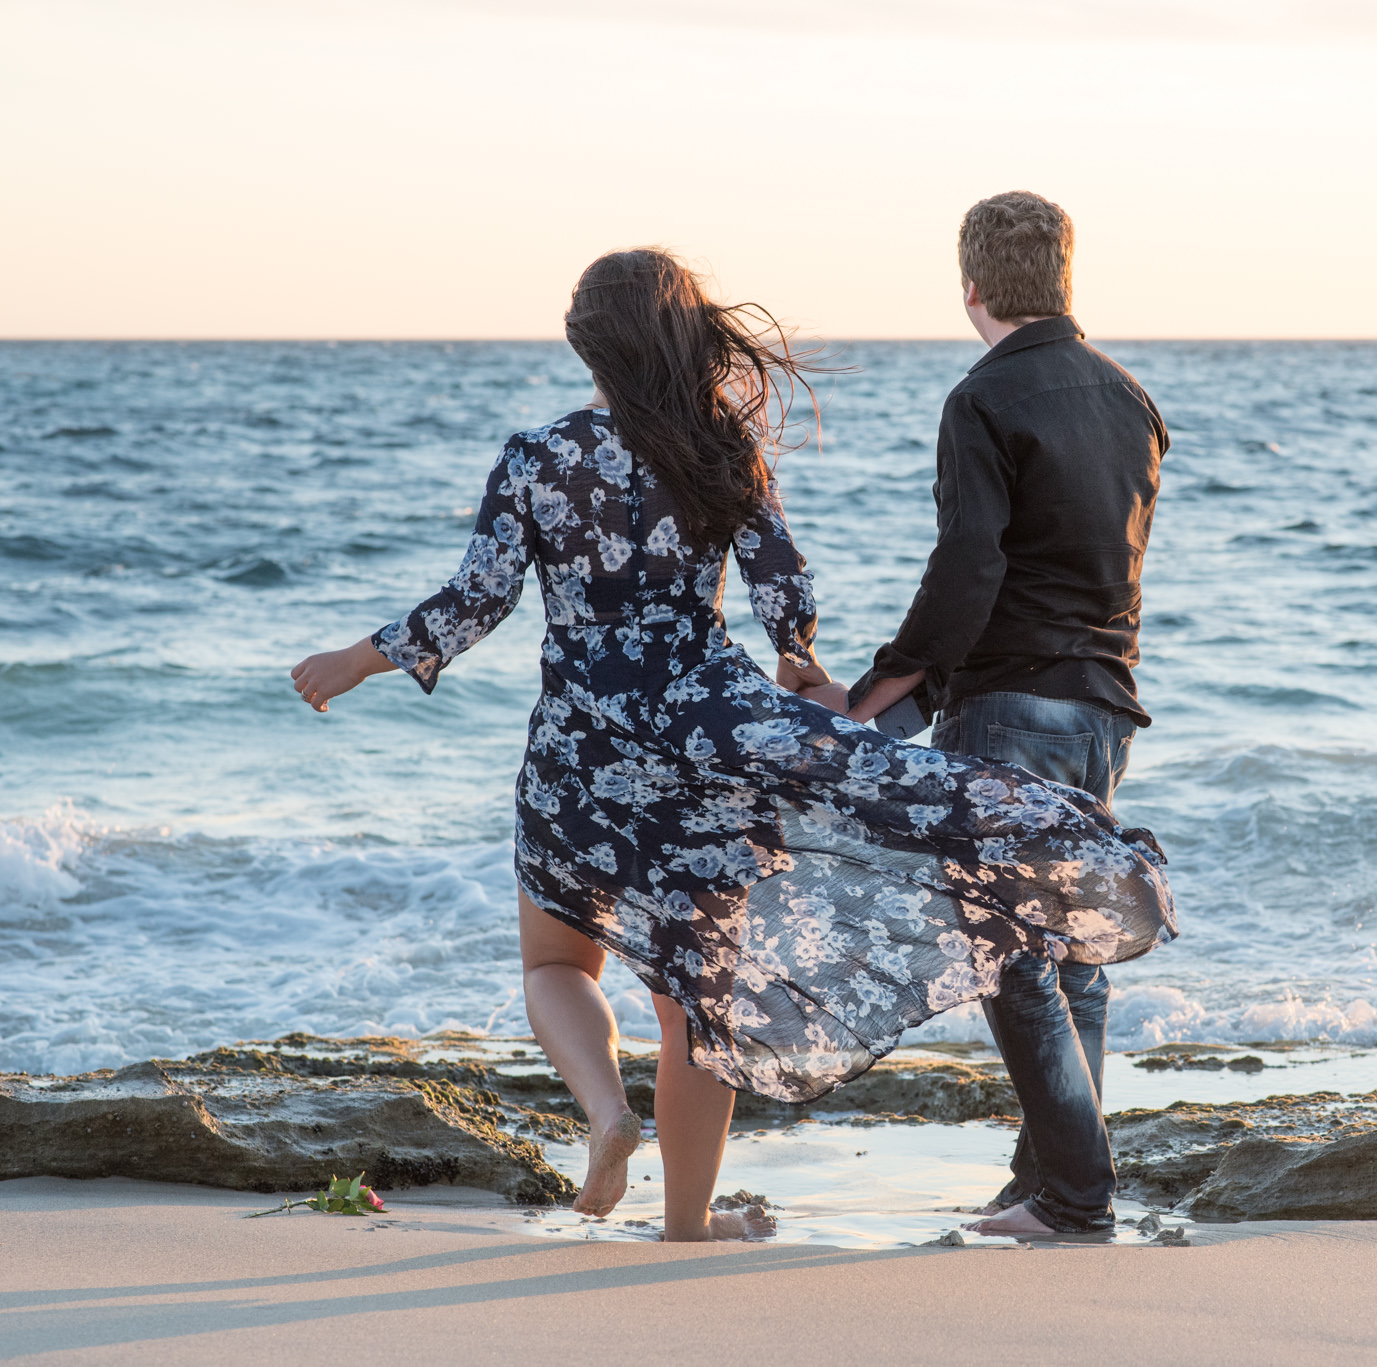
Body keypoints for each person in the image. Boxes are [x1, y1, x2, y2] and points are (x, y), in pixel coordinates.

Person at [289, 247, 1173, 1242]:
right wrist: (803, 664)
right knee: (691, 1003)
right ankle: (685, 1221)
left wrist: (354, 659)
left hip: (580, 742)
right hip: (708, 735)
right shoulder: (722, 444)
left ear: (587, 344)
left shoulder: (538, 456)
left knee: (555, 965)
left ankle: (606, 1113)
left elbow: (474, 600)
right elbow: (780, 584)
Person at [849, 192, 1169, 1237]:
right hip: (1102, 710)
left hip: (1011, 709)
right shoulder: (1130, 399)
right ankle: (1045, 1184)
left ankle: (1074, 1195)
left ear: (971, 287)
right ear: (1064, 280)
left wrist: (882, 685)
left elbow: (971, 565)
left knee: (1008, 953)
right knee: (1069, 948)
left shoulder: (979, 401)